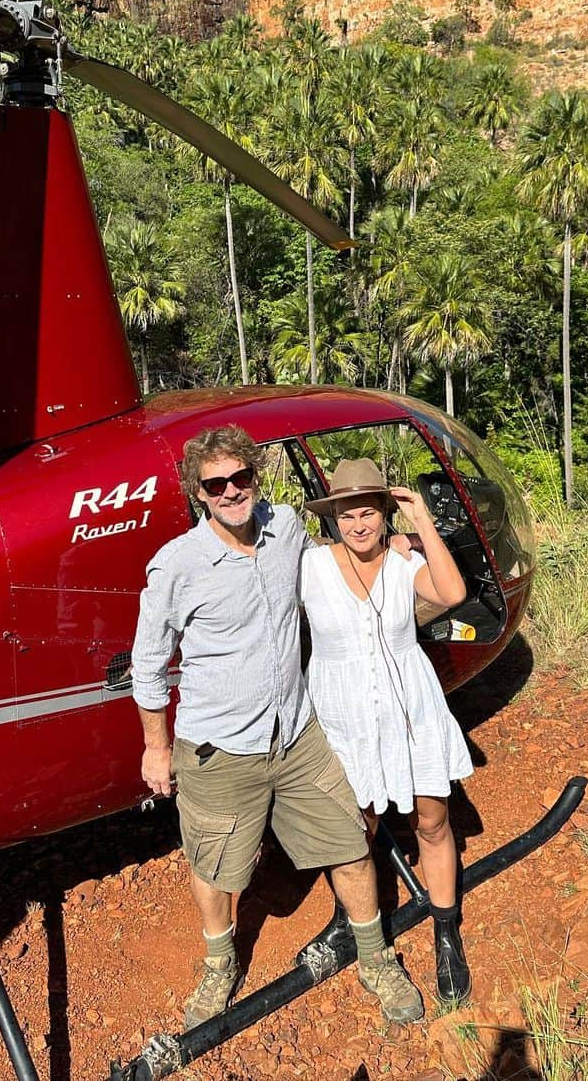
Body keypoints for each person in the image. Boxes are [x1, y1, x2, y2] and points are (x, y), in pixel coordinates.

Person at [130, 426, 424, 1028]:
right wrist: (155, 749)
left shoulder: (285, 526)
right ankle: (219, 966)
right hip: (220, 747)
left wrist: (393, 544)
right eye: (217, 484)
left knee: (348, 841)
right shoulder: (178, 567)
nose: (232, 491)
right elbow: (147, 665)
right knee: (215, 867)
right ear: (199, 492)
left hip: (296, 732)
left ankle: (374, 955)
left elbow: (339, 546)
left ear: (255, 475)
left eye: (241, 477)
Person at [301, 457, 475, 1005]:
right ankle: (348, 918)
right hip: (344, 715)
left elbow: (452, 594)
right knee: (355, 828)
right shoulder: (309, 567)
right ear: (332, 518)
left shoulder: (404, 564)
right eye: (347, 514)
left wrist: (421, 522)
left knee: (432, 819)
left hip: (410, 708)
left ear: (384, 513)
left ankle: (446, 933)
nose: (358, 525)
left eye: (369, 513)